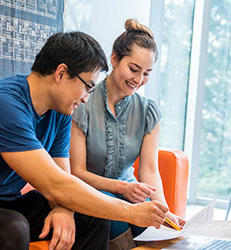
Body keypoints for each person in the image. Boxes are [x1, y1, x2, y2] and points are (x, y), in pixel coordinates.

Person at [0, 31, 168, 250]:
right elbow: (55, 184)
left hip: (1, 202)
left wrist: (64, 208)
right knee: (12, 227)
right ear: (61, 73)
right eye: (87, 87)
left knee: (91, 218)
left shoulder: (59, 112)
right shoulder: (2, 103)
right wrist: (132, 212)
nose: (85, 98)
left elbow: (63, 177)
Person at [70, 19, 186, 248]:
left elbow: (150, 170)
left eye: (147, 73)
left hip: (132, 194)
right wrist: (122, 188)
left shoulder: (148, 111)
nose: (139, 80)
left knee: (155, 223)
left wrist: (163, 211)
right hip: (91, 193)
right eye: (133, 69)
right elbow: (77, 172)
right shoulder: (82, 102)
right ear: (114, 59)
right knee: (118, 221)